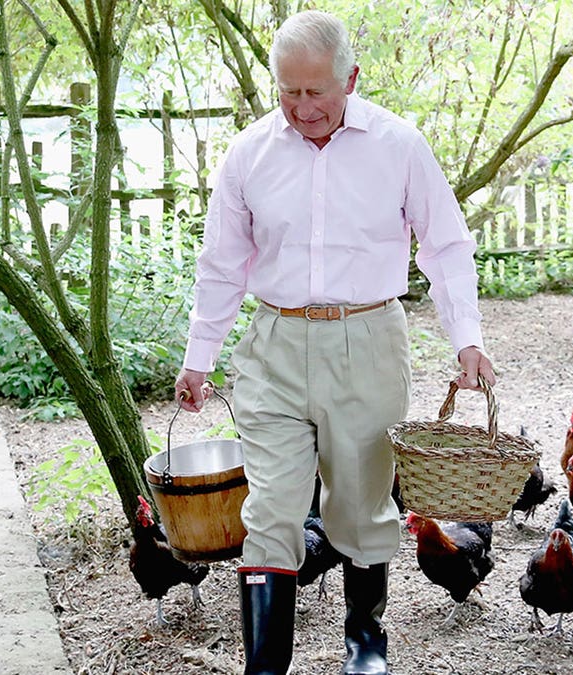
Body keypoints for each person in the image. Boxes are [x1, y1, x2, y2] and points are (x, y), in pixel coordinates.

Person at [174, 10, 496, 675]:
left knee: (361, 508)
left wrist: (466, 337)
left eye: (316, 91)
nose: (302, 107)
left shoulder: (399, 145)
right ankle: (264, 668)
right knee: (270, 512)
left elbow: (445, 245)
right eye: (288, 91)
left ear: (351, 77)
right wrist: (197, 358)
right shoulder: (249, 154)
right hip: (276, 343)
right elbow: (222, 263)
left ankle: (364, 650)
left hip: (369, 340)